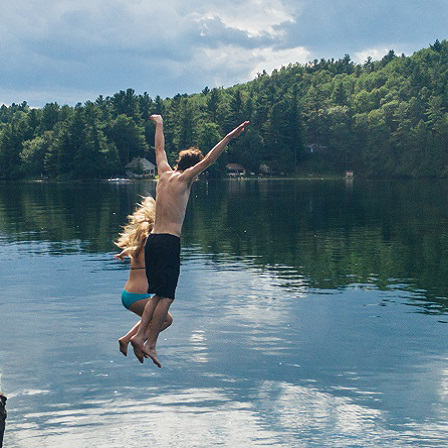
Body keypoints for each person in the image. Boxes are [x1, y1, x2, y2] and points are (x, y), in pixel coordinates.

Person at [130, 114, 249, 367]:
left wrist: (160, 124)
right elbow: (210, 159)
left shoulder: (163, 174)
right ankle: (151, 343)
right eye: (197, 172)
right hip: (168, 242)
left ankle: (140, 336)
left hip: (152, 241)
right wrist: (230, 136)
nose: (198, 175)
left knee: (157, 295)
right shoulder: (185, 179)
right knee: (167, 296)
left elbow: (159, 148)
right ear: (192, 169)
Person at [114, 196, 173, 356]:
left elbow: (130, 250)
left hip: (129, 294)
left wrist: (122, 254)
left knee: (151, 317)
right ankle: (138, 339)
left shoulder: (137, 246)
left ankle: (125, 339)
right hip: (137, 296)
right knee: (166, 320)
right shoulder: (149, 244)